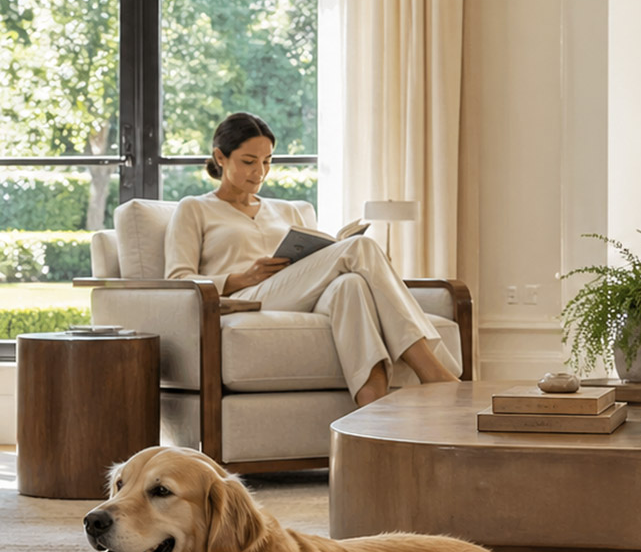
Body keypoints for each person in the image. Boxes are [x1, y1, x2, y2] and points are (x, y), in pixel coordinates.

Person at [164, 112, 460, 407]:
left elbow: (316, 261)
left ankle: (373, 412)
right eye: (249, 161)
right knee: (361, 248)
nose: (260, 172)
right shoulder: (194, 208)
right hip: (247, 298)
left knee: (352, 286)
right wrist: (244, 277)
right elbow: (177, 282)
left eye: (267, 161)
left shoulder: (288, 210)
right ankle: (433, 370)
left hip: (299, 294)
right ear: (220, 157)